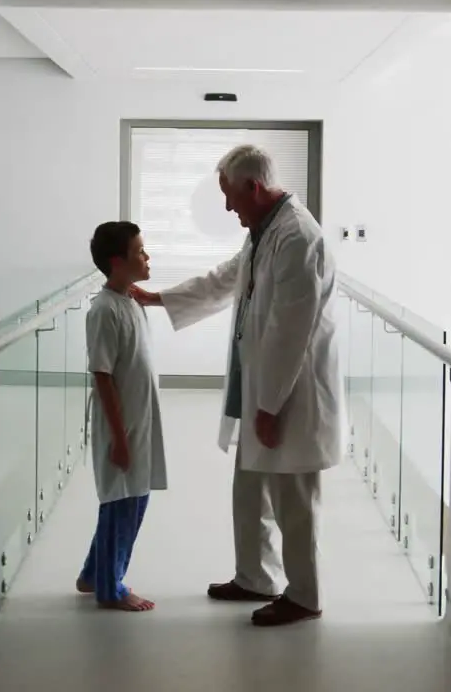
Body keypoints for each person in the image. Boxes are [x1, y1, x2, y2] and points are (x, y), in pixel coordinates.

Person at [133, 144, 345, 627]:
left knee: (294, 498)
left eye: (230, 196)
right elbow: (225, 279)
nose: (228, 207)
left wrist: (269, 408)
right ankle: (255, 576)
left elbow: (293, 331)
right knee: (250, 487)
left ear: (254, 187)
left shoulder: (297, 238)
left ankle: (305, 596)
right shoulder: (263, 231)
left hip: (291, 395)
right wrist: (159, 298)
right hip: (262, 386)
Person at [76, 221, 167, 612]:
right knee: (122, 503)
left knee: (131, 498)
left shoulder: (129, 300)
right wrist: (120, 439)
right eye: (139, 252)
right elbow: (103, 377)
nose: (147, 258)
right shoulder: (103, 311)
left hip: (139, 420)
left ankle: (93, 573)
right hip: (123, 427)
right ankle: (111, 589)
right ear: (117, 261)